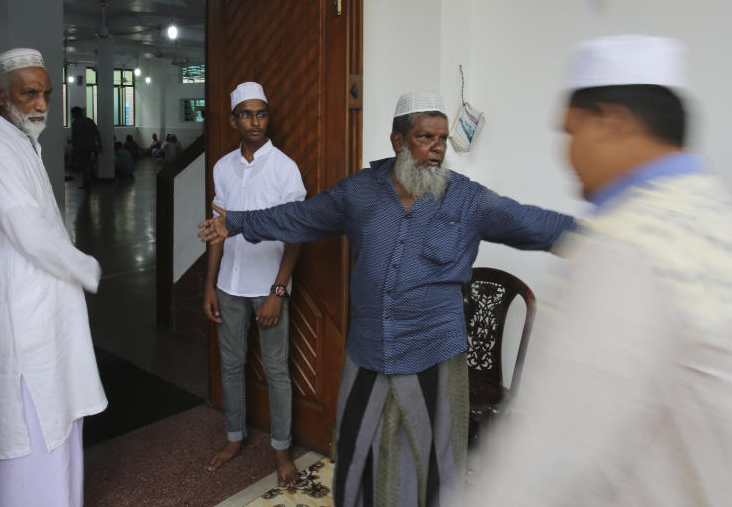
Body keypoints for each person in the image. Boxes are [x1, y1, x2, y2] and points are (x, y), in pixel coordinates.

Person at [199, 89, 574, 506]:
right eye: (424, 137)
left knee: (432, 462)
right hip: (369, 350)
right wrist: (235, 222)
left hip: (434, 349)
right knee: (362, 455)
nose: (435, 148)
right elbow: (299, 217)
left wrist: (602, 239)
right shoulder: (359, 192)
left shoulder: (467, 198)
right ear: (397, 141)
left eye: (442, 139)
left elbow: (532, 223)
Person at [468, 36, 732, 507]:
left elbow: (548, 456)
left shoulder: (628, 244)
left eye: (570, 132)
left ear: (611, 122)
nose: (567, 153)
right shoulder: (723, 220)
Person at [0, 48, 107, 507]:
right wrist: (86, 266)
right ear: (0, 96)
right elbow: (31, 232)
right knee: (30, 429)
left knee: (58, 422)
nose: (41, 104)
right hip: (19, 322)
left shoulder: (23, 144)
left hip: (46, 315)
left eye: (45, 93)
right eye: (29, 94)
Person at [202, 82, 307, 487]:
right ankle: (234, 438)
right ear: (233, 120)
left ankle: (281, 449)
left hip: (268, 288)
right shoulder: (223, 167)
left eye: (261, 113)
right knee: (231, 365)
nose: (255, 121)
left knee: (277, 371)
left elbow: (297, 235)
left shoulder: (284, 168)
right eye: (246, 114)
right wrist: (210, 285)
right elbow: (218, 231)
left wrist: (278, 293)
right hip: (229, 284)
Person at [70, 105, 101, 189]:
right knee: (88, 164)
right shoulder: (90, 121)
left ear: (76, 113)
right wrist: (100, 145)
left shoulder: (75, 123)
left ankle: (88, 183)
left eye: (72, 114)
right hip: (91, 147)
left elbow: (74, 137)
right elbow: (97, 133)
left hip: (81, 148)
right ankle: (86, 183)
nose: (72, 116)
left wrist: (73, 147)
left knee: (84, 166)